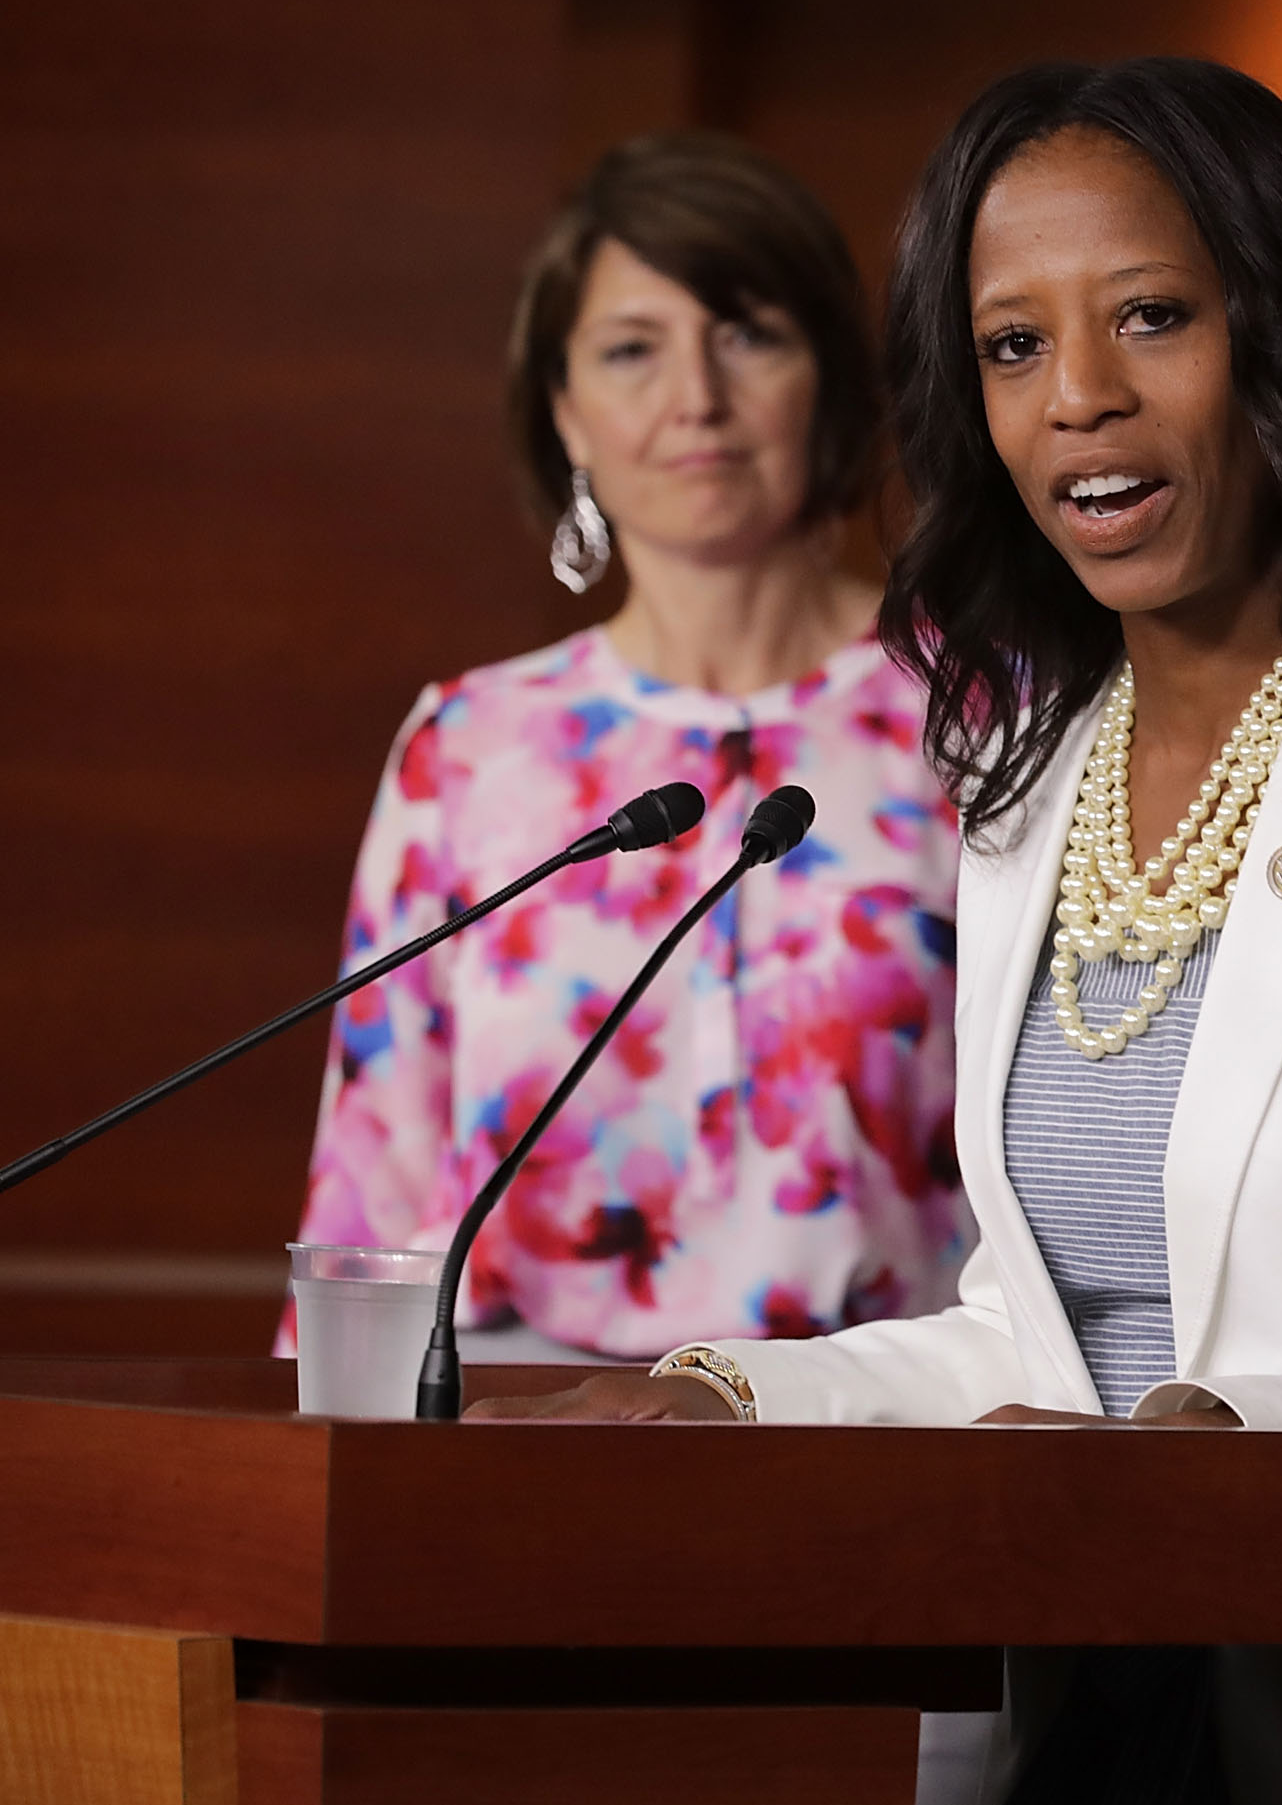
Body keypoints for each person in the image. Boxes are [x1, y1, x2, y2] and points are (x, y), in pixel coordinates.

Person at [473, 58, 1282, 1805]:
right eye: (1009, 347)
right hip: (1106, 1768)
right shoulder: (1028, 791)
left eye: (1152, 317)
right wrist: (725, 1396)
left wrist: (1209, 1455)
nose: (1082, 402)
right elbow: (1032, 1335)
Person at [288, 132, 972, 1361]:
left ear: (829, 373)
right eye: (630, 350)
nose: (694, 399)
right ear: (565, 410)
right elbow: (372, 1183)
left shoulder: (975, 712)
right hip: (510, 1434)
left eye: (749, 334)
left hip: (889, 1431)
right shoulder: (467, 745)